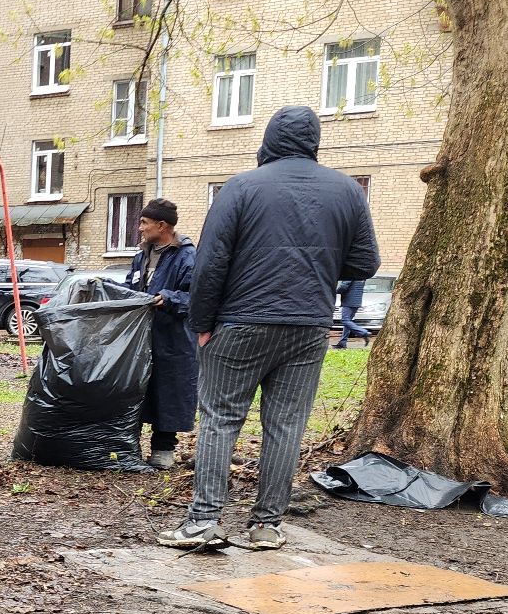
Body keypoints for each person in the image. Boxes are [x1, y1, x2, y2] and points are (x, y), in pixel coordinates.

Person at [160, 107, 380, 552]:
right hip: (308, 326)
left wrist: (201, 323)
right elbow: (365, 262)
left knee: (221, 419)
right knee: (286, 425)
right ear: (314, 141)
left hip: (239, 322)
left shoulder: (241, 187)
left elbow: (210, 263)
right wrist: (316, 266)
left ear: (269, 140)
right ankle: (266, 526)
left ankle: (203, 521)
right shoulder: (347, 190)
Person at [123, 198, 197, 470]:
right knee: (135, 389)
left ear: (162, 225)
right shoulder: (142, 255)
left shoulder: (186, 256)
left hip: (173, 339)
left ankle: (163, 448)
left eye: (144, 222)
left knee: (168, 391)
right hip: (141, 337)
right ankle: (127, 446)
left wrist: (168, 298)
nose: (140, 228)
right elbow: (130, 287)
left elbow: (197, 298)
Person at [334, 278, 373, 349]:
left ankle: (364, 332)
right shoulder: (361, 275)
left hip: (349, 301)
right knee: (348, 322)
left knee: (345, 320)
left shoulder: (350, 275)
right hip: (357, 302)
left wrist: (335, 291)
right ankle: (342, 343)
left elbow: (343, 286)